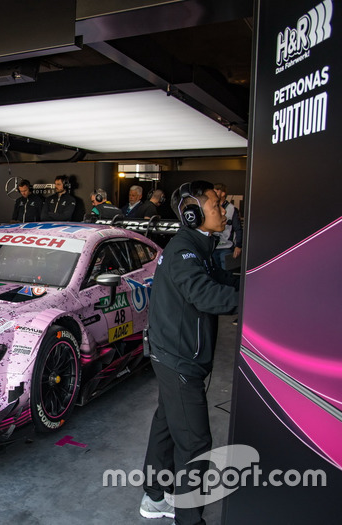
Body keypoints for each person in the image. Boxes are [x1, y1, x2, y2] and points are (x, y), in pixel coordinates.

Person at [139, 181, 239, 525]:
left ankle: (154, 496)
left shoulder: (199, 247)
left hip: (175, 354)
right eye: (215, 205)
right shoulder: (184, 250)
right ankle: (189, 520)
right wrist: (257, 300)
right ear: (193, 213)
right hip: (180, 359)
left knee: (167, 424)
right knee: (195, 444)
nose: (222, 211)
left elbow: (222, 282)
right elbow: (206, 295)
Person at [211, 183, 243, 270]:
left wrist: (238, 246)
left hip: (226, 247)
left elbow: (238, 229)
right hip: (212, 247)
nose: (214, 193)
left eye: (216, 191)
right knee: (214, 273)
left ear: (223, 193)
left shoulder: (232, 209)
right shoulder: (210, 208)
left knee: (226, 273)